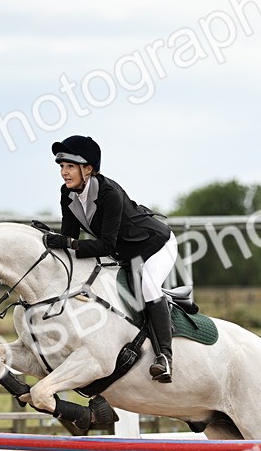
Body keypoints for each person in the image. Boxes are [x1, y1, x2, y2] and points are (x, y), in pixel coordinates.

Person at [43, 135, 179, 383]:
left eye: (70, 166)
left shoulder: (109, 193)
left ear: (89, 169)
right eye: (62, 166)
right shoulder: (68, 193)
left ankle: (165, 358)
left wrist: (69, 244)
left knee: (147, 286)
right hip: (124, 254)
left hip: (156, 245)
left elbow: (104, 244)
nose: (64, 172)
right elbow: (69, 237)